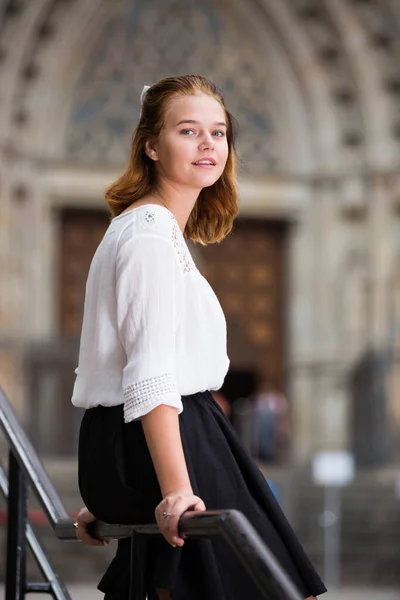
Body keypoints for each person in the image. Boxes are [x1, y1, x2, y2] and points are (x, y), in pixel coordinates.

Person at [71, 75, 326, 600]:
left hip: (145, 438)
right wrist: (174, 491)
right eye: (189, 131)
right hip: (180, 435)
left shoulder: (146, 229)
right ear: (151, 144)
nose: (208, 144)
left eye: (219, 132)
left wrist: (118, 487)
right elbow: (148, 372)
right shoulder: (147, 235)